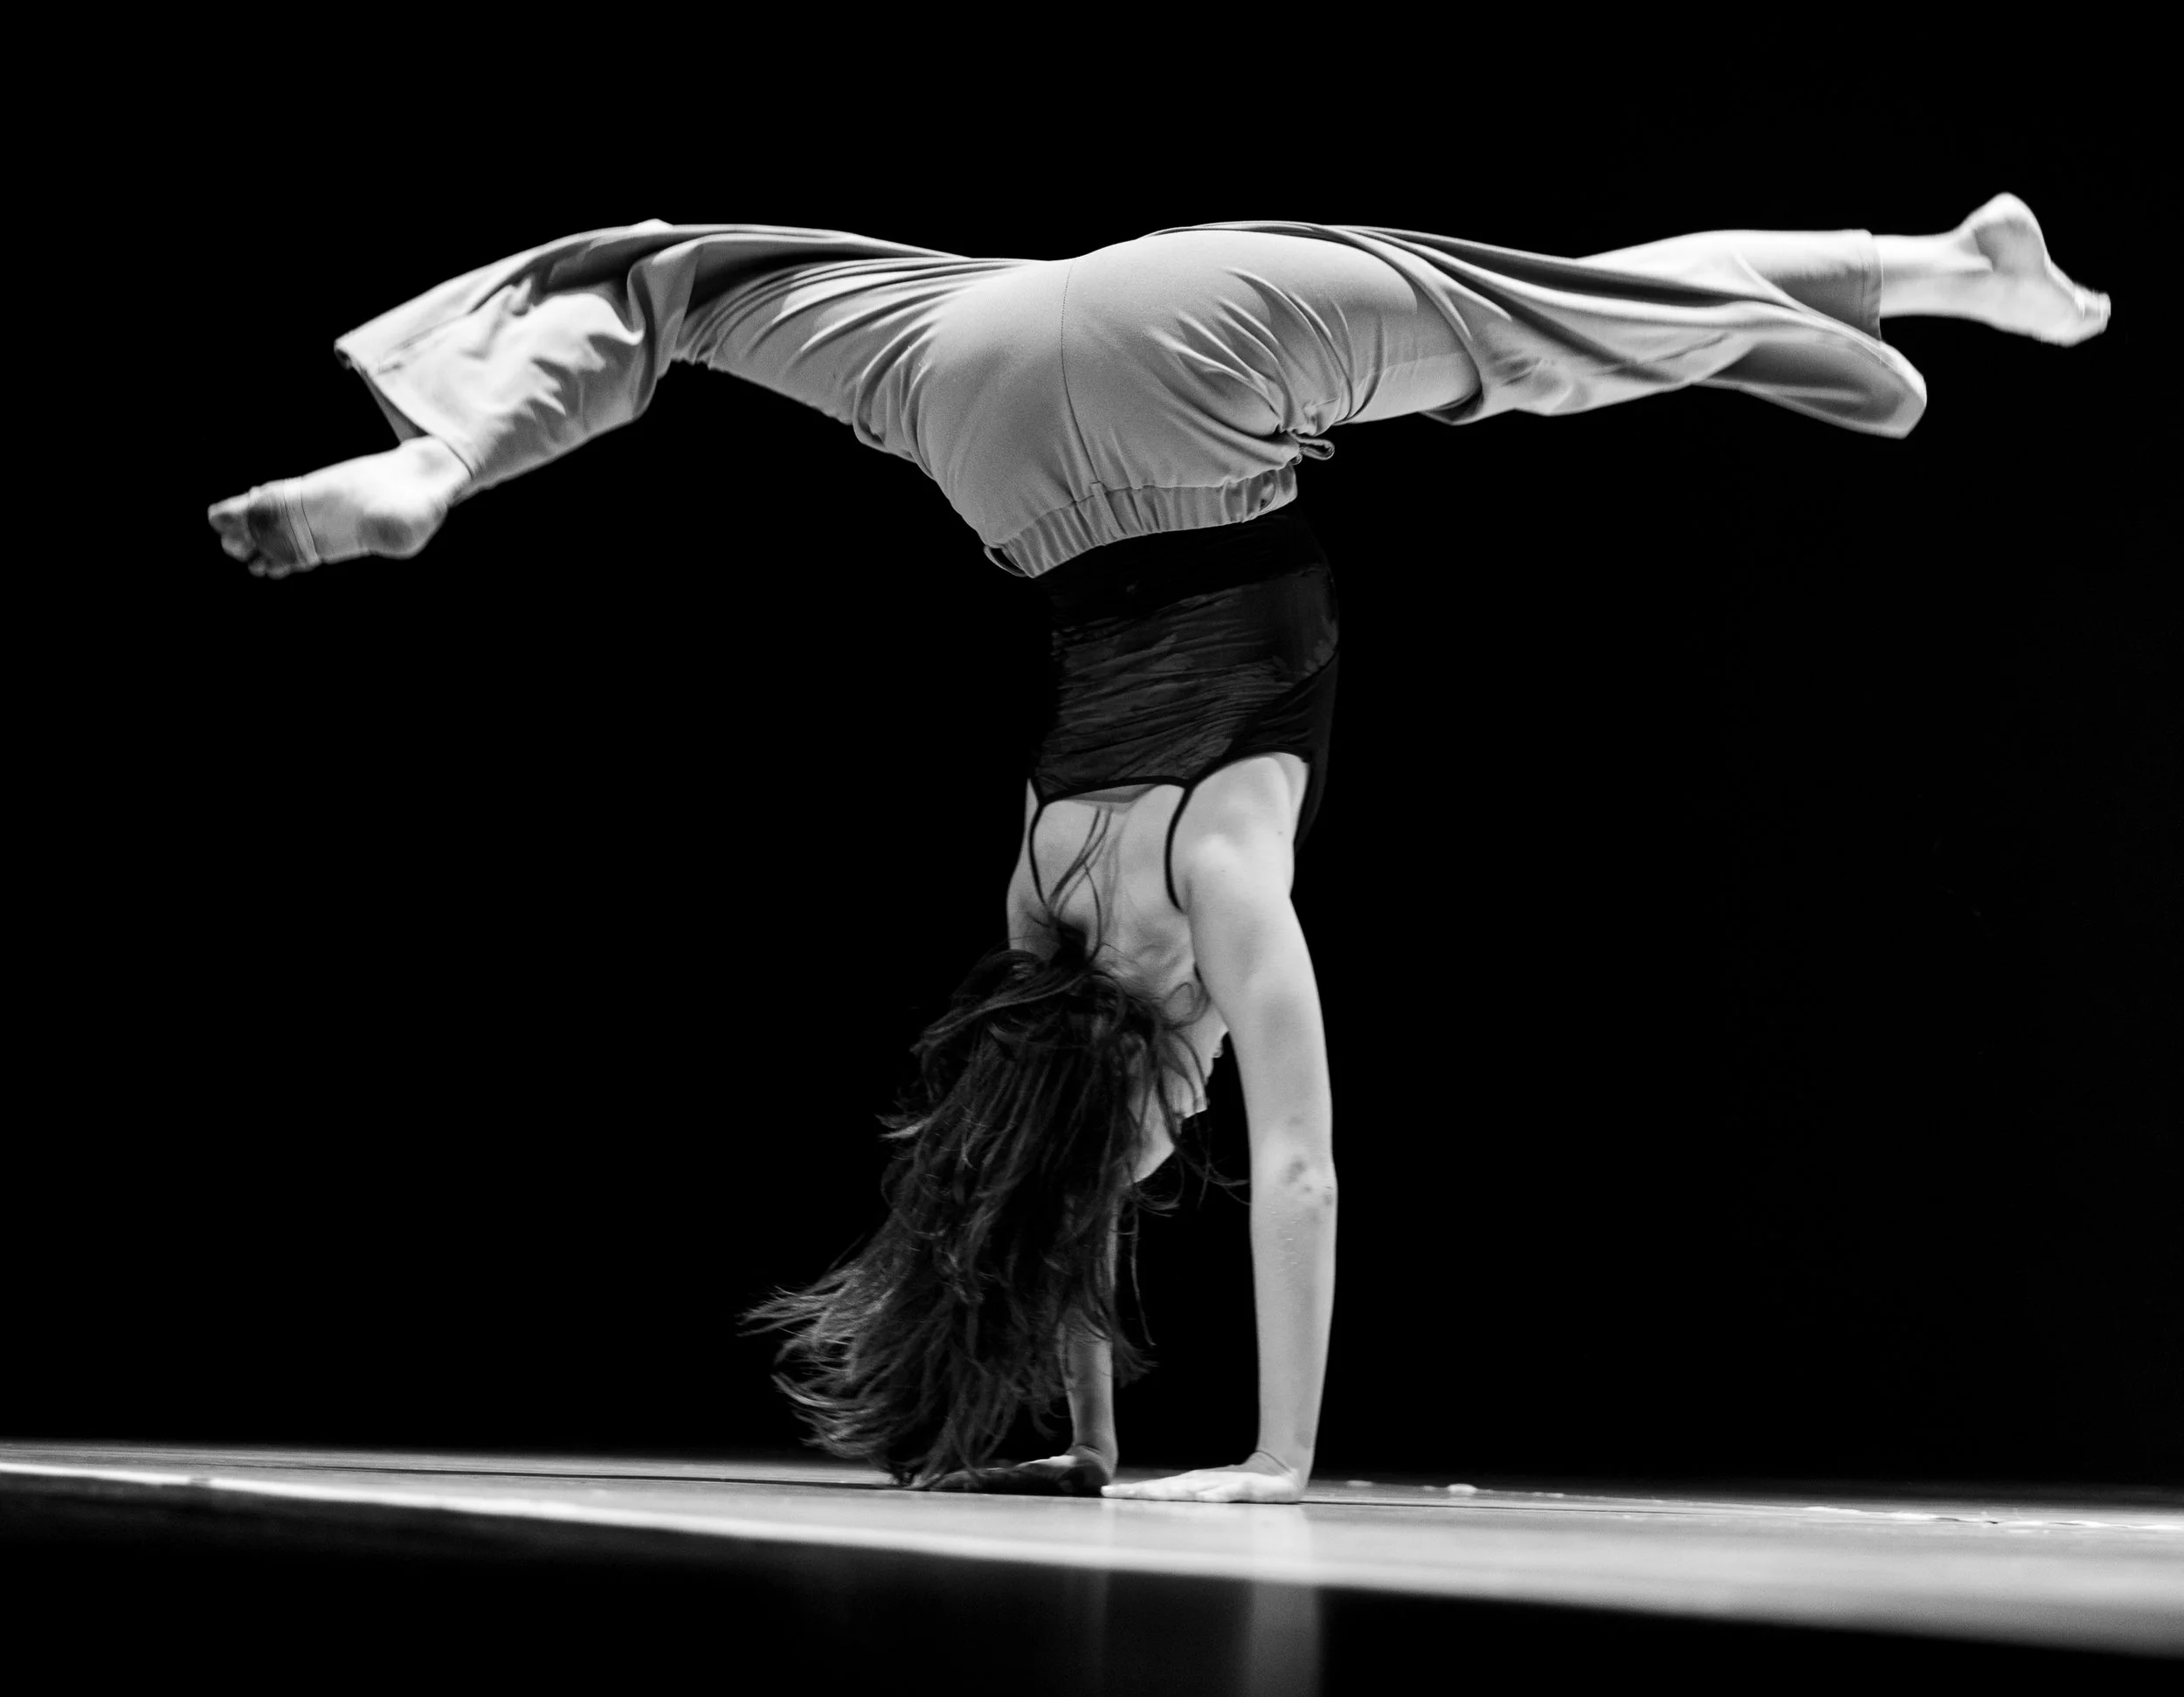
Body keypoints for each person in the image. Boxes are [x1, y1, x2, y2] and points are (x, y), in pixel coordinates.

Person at [208, 202, 2109, 1499]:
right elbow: (1054, 1186)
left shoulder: (1220, 884)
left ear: (1131, 1078)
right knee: (676, 285)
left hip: (1197, 366)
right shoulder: (1039, 895)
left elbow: (1303, 1173)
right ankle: (441, 463)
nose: (1180, 1128)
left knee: (1549, 329)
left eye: (1154, 1128)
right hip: (977, 393)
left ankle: (1900, 300)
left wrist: (1278, 1459)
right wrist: (1089, 1445)